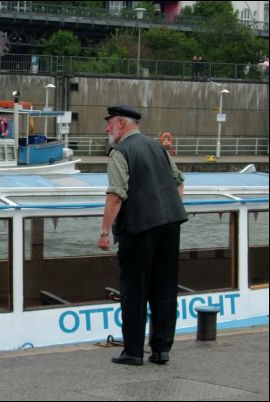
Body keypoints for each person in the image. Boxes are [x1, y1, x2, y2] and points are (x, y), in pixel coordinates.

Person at [98, 105, 187, 366]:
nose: (107, 129)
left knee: (134, 291)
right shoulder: (158, 146)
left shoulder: (120, 152)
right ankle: (161, 350)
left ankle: (134, 352)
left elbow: (116, 194)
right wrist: (168, 209)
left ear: (123, 124)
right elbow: (179, 181)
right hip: (170, 224)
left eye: (110, 124)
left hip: (138, 228)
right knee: (165, 288)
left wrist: (104, 232)